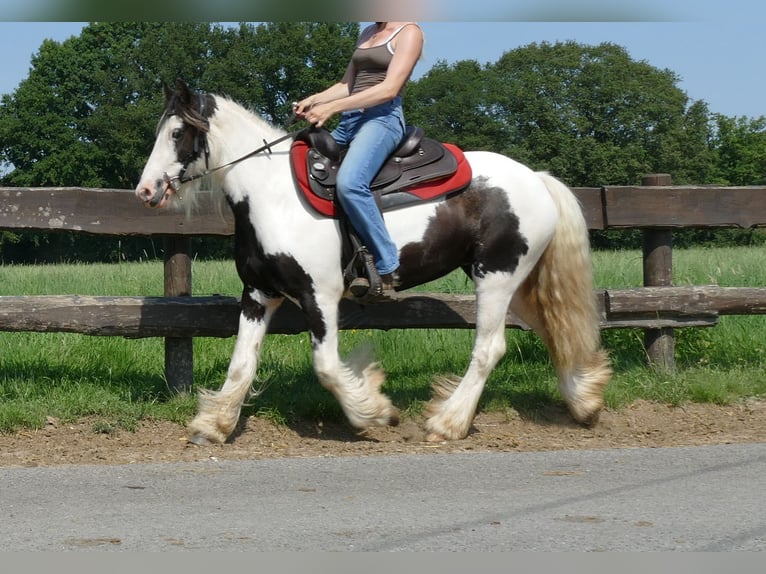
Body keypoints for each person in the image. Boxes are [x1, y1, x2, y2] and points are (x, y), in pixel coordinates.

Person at [293, 22, 424, 293]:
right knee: (299, 157)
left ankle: (388, 266)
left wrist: (331, 108)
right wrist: (315, 100)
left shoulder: (409, 32)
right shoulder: (368, 33)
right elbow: (346, 84)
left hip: (383, 120)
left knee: (350, 183)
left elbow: (389, 89)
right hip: (350, 120)